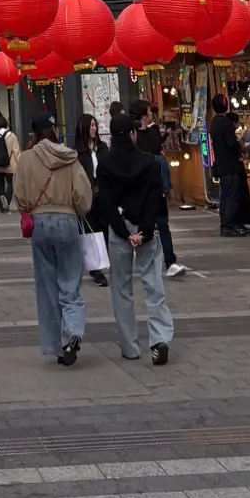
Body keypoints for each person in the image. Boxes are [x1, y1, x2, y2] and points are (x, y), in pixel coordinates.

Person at [94, 112, 174, 367]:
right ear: (132, 133)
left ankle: (130, 347)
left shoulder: (104, 165)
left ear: (111, 135)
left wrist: (123, 231)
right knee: (153, 285)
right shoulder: (149, 162)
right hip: (146, 227)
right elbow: (155, 197)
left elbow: (104, 202)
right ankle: (160, 339)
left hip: (120, 229)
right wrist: (146, 231)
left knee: (121, 288)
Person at [13, 112, 92, 367]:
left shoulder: (25, 159)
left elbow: (21, 197)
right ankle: (74, 333)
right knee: (70, 282)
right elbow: (83, 195)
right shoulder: (69, 157)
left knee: (47, 286)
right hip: (67, 220)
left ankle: (57, 346)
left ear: (33, 134)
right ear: (54, 131)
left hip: (40, 224)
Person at [131, 101, 186, 278]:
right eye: (149, 113)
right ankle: (146, 261)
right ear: (143, 116)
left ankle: (170, 261)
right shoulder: (133, 133)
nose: (152, 115)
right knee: (142, 226)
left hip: (154, 187)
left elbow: (154, 149)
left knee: (162, 224)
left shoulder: (152, 131)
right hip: (140, 188)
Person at [209, 93, 250, 236]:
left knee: (225, 196)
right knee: (232, 196)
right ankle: (230, 224)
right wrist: (241, 143)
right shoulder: (226, 123)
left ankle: (227, 223)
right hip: (231, 165)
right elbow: (231, 144)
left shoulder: (214, 122)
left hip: (221, 165)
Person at [73, 115, 109, 287]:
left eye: (96, 125)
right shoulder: (77, 153)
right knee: (91, 232)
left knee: (106, 229)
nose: (94, 128)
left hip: (104, 193)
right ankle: (96, 271)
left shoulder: (102, 148)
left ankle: (105, 261)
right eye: (91, 125)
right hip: (88, 196)